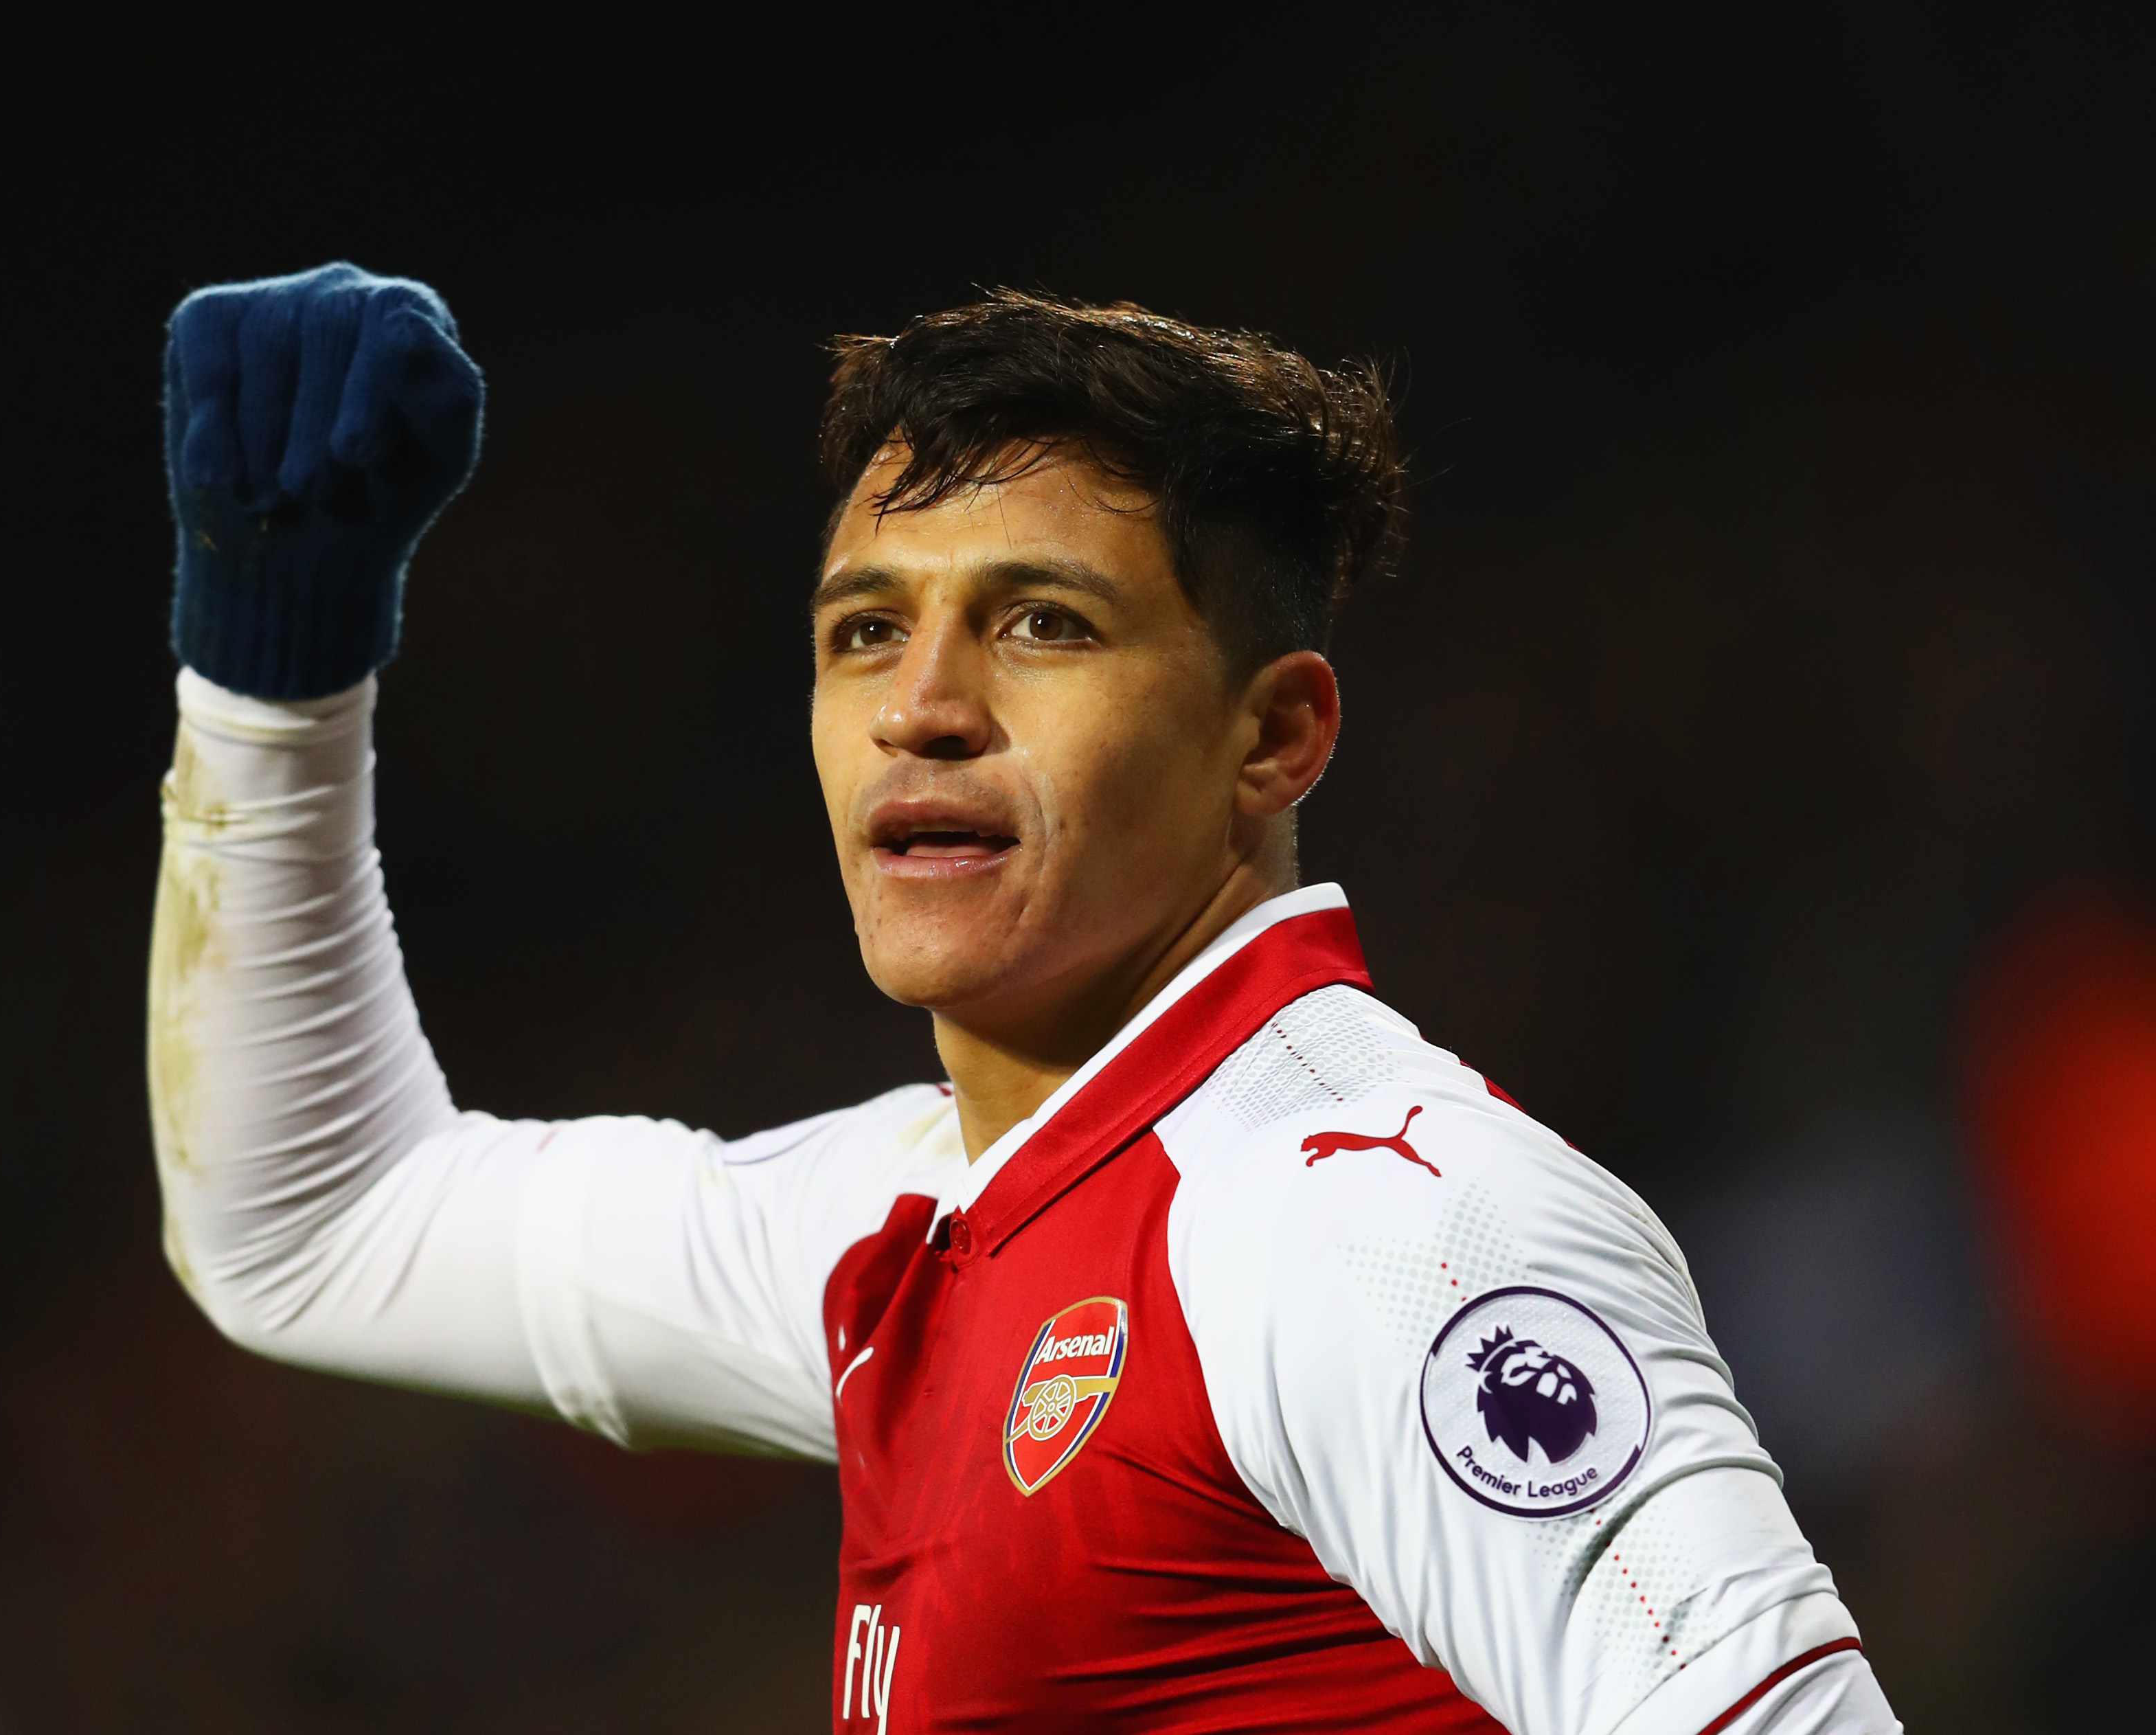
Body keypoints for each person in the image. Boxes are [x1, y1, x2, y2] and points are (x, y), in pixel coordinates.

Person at [147, 262, 1899, 1734]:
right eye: (862, 632)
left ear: (1273, 736)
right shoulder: (916, 1223)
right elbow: (317, 1224)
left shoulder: (1379, 1230)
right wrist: (271, 668)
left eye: (1042, 623)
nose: (922, 704)